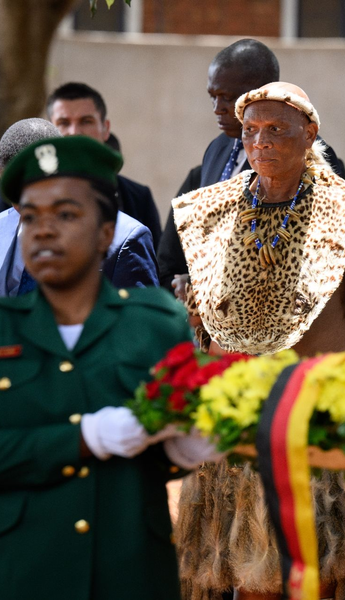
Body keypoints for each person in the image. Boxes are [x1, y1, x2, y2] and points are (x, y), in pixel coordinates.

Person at [172, 82, 345, 600]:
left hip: (318, 430)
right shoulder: (210, 212)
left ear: (310, 133)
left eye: (277, 129)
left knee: (318, 575)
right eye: (251, 131)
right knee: (240, 579)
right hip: (232, 432)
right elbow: (201, 328)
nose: (261, 141)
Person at [0, 136, 221, 599]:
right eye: (30, 215)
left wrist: (185, 448)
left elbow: (160, 454)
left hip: (129, 571)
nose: (42, 230)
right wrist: (85, 438)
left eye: (65, 214)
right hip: (25, 570)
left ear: (105, 233)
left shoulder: (155, 326)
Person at [157, 39, 345, 290]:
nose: (218, 108)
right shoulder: (218, 149)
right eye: (213, 96)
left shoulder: (308, 152)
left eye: (226, 97)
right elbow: (177, 249)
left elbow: (337, 248)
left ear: (261, 92)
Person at [0, 119, 158, 294]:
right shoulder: (3, 225)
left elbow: (139, 317)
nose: (21, 205)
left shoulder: (126, 239)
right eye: (12, 195)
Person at [46, 82, 163, 247]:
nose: (74, 132)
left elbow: (153, 266)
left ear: (105, 129)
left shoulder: (137, 198)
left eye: (86, 121)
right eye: (64, 123)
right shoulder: (18, 197)